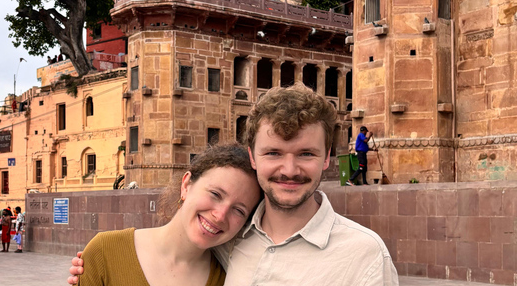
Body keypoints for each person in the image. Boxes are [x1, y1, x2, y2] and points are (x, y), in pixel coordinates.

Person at [71, 84, 398, 286]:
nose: (289, 169)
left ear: (327, 158)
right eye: (273, 153)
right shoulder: (229, 243)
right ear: (253, 156)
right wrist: (106, 261)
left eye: (306, 154)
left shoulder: (364, 255)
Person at [69, 144, 261, 285]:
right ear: (186, 185)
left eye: (239, 210)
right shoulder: (105, 252)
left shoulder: (227, 279)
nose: (220, 215)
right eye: (215, 194)